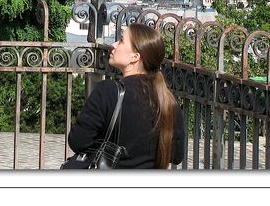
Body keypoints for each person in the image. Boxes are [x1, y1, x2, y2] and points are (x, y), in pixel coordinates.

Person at [67, 22, 185, 169]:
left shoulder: (108, 92)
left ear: (135, 57)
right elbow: (176, 156)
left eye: (121, 40)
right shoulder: (168, 101)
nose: (114, 45)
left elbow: (77, 141)